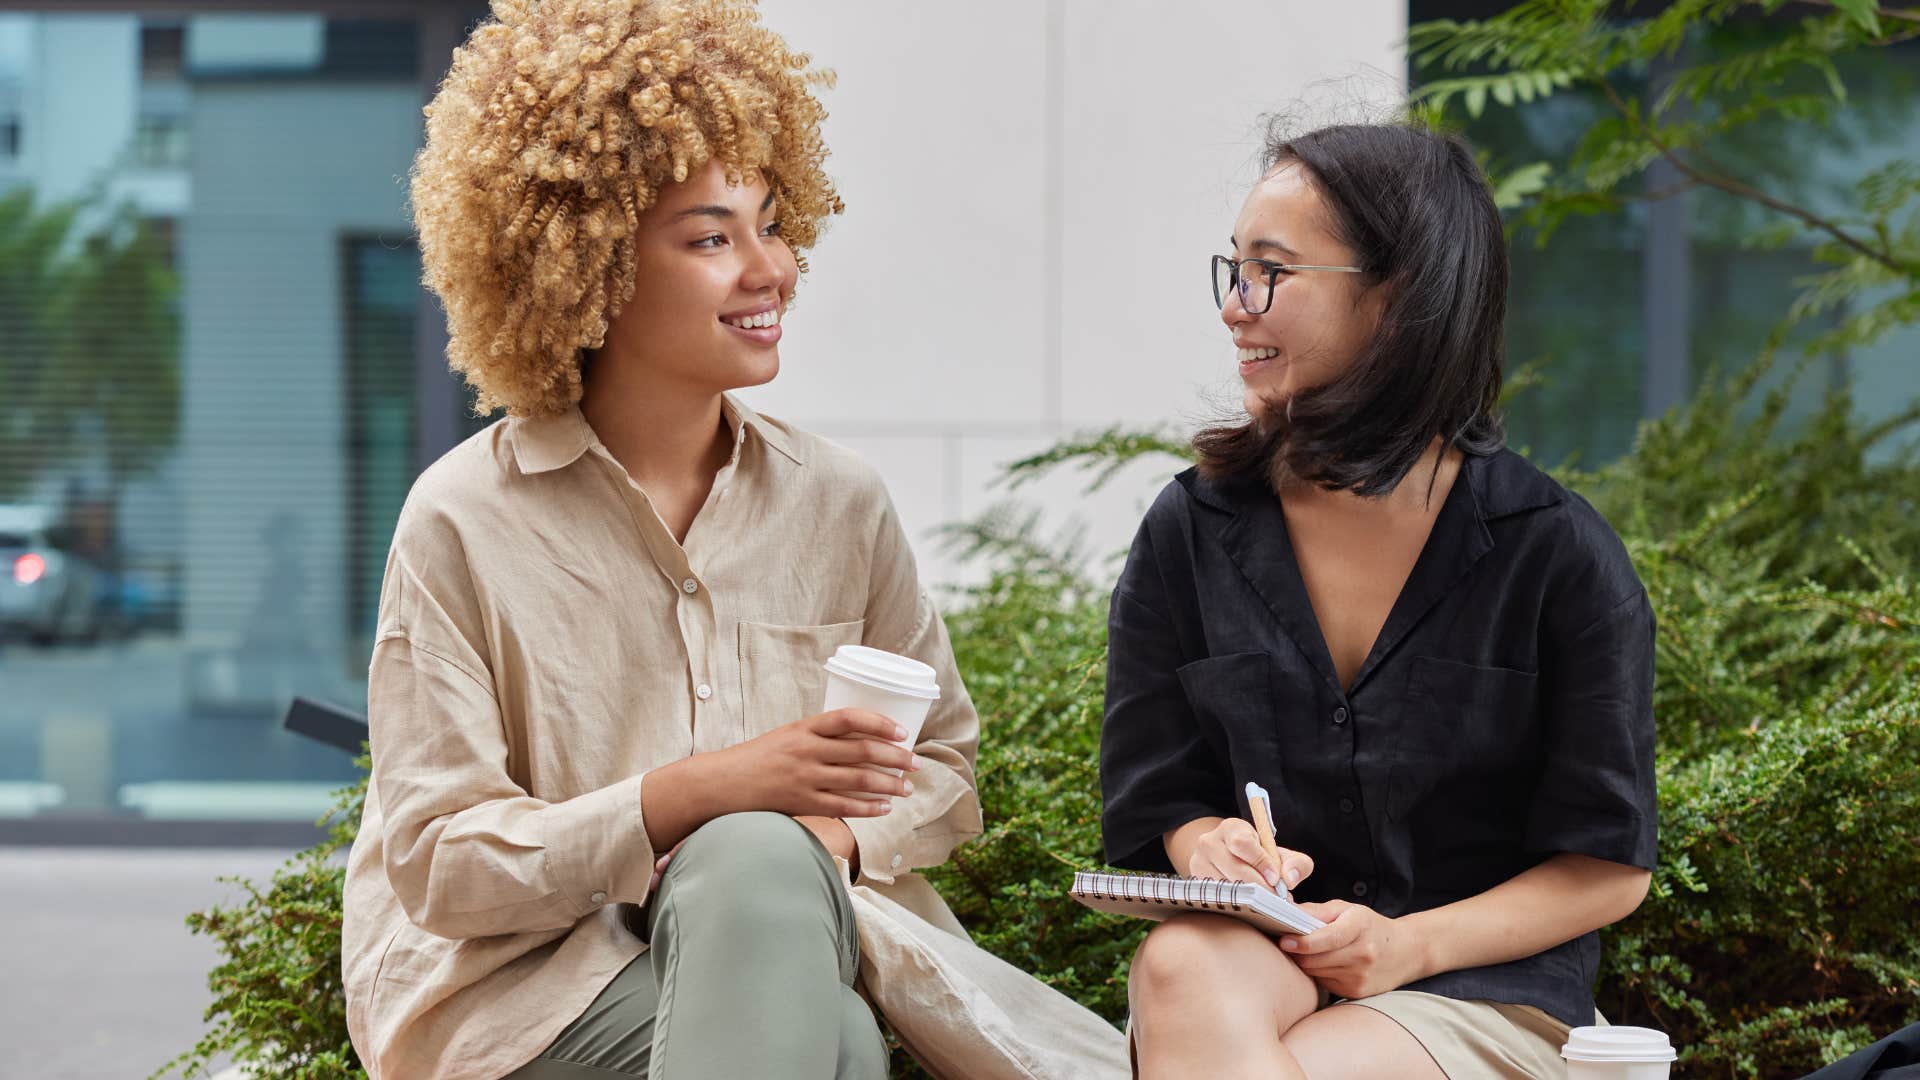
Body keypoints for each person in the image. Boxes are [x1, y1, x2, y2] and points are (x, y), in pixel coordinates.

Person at [340, 3, 983, 1078]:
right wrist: (701, 793)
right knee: (831, 1038)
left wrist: (828, 843)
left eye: (772, 225)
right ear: (584, 265)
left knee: (772, 904)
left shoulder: (841, 504)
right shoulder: (461, 520)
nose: (769, 270)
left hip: (782, 942)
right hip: (523, 996)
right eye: (711, 239)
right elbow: (439, 861)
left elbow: (945, 769)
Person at [1099, 122, 1658, 1080]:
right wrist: (1211, 850)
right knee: (1182, 959)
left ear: (1396, 296)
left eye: (1271, 272)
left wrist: (1409, 945)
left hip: (1480, 987)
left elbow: (1607, 865)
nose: (1237, 307)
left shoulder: (1554, 555)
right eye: (1232, 269)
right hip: (1266, 959)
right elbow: (1160, 797)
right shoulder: (1189, 531)